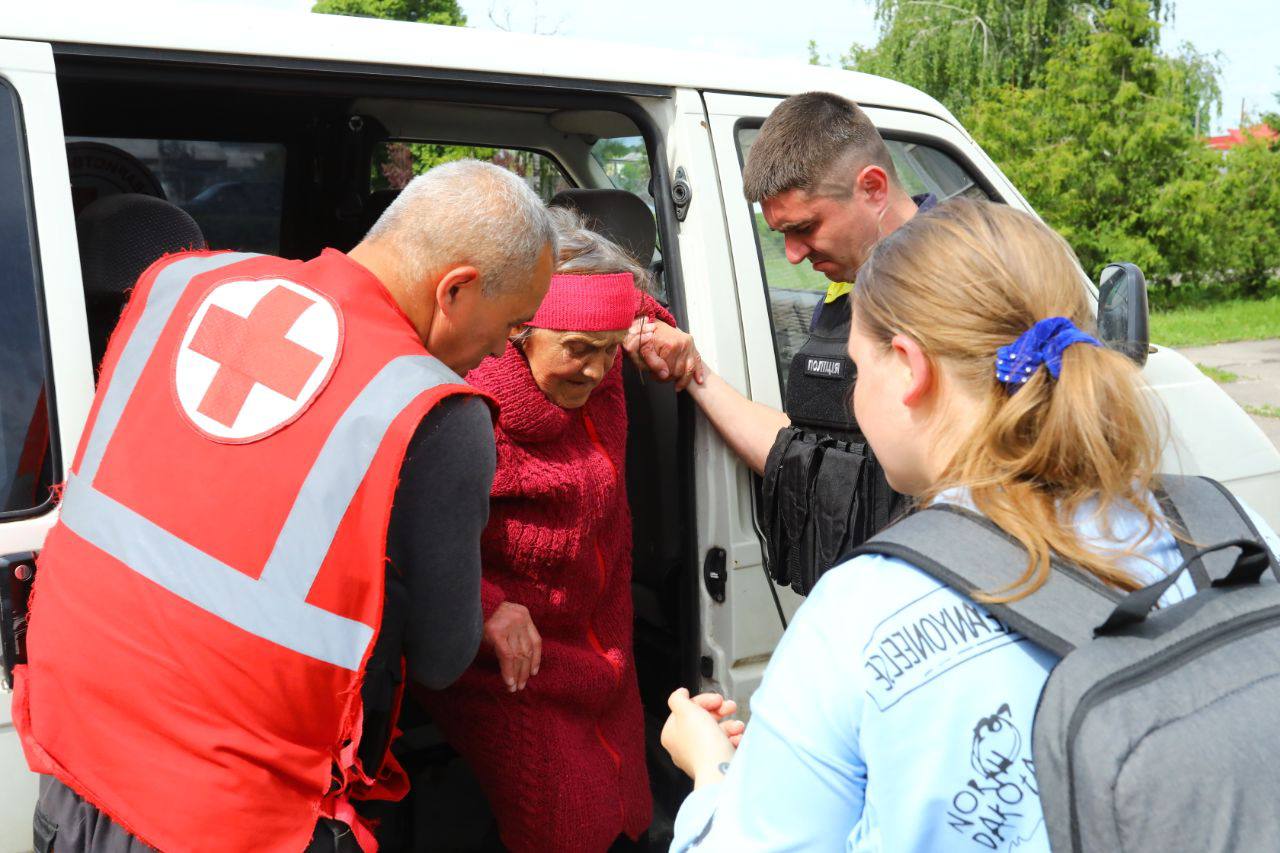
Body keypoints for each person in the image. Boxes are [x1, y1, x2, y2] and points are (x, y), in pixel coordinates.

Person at [658, 199, 1280, 850]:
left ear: (909, 366)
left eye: (858, 368)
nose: (852, 393)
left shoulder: (860, 614)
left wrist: (714, 771)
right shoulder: (1232, 528)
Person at [14, 160, 557, 853]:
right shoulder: (436, 415)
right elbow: (441, 659)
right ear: (454, 290)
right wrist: (486, 609)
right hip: (233, 822)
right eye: (511, 325)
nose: (500, 351)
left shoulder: (179, 285)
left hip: (73, 774)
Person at [418, 209, 700, 853]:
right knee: (565, 825)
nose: (598, 372)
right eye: (578, 349)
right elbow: (395, 531)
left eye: (610, 349)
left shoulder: (592, 358)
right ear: (518, 329)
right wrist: (485, 606)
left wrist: (656, 327)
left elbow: (622, 305)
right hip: (512, 667)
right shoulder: (466, 408)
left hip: (604, 648)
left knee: (628, 805)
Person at [679, 91, 935, 594]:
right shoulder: (849, 285)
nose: (793, 255)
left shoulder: (971, 290)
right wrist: (693, 371)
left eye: (805, 228)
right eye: (781, 234)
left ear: (873, 188)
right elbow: (809, 450)